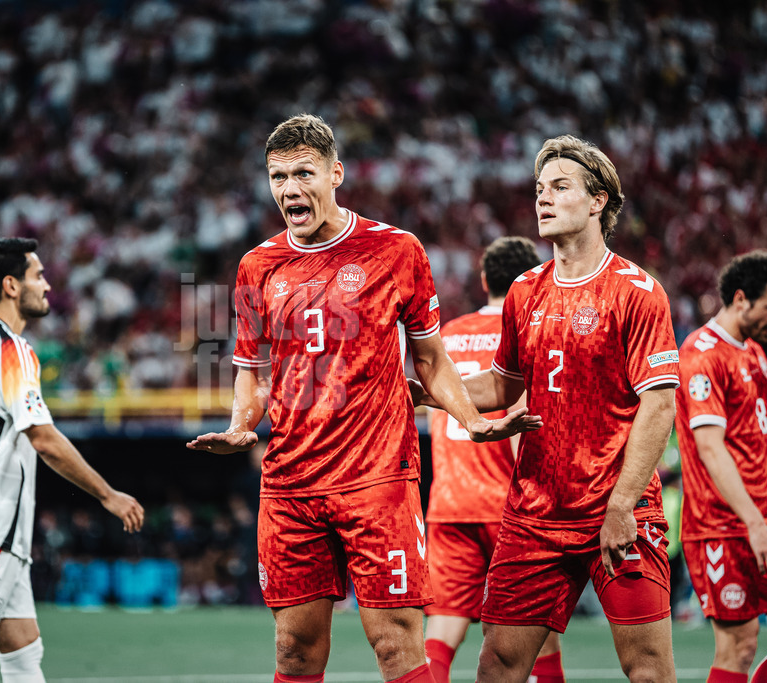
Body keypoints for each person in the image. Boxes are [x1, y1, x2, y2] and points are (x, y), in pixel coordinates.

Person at [187, 114, 540, 683]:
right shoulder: (257, 266)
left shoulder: (397, 250)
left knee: (397, 645)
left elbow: (429, 359)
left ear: (335, 174)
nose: (289, 189)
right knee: (295, 652)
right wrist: (239, 426)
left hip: (378, 477)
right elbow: (251, 372)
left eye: (304, 173)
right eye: (278, 177)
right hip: (290, 482)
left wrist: (472, 419)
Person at [455, 135, 680, 682]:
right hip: (534, 513)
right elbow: (503, 387)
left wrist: (622, 504)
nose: (543, 200)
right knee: (498, 663)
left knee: (648, 668)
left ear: (598, 200)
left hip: (616, 506)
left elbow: (659, 405)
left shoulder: (637, 291)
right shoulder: (524, 291)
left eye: (559, 187)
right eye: (539, 190)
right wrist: (422, 388)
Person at [0, 237, 145, 682]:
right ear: (11, 286)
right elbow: (44, 439)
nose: (48, 286)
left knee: (23, 648)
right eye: (39, 275)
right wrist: (108, 495)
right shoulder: (9, 348)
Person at [417, 237, 564, 683]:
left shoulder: (448, 335)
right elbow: (530, 418)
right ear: (530, 280)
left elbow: (429, 408)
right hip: (513, 507)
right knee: (539, 636)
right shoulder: (528, 329)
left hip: (450, 504)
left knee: (441, 631)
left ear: (484, 280)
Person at [673, 250, 767, 683]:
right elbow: (711, 449)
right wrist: (754, 523)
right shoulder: (702, 354)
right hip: (722, 527)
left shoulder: (754, 352)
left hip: (763, 520)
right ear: (740, 300)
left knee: (745, 645)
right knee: (739, 646)